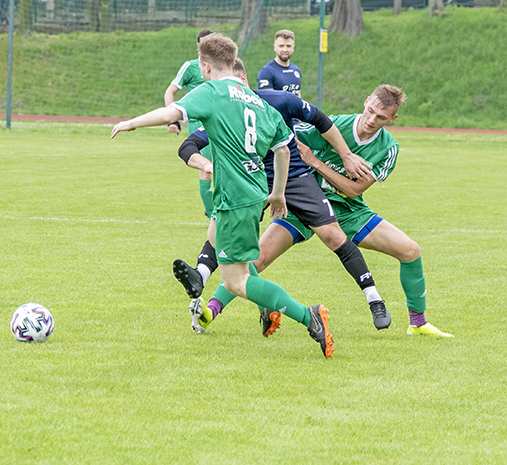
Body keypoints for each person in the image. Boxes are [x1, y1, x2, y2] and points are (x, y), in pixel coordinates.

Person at [111, 33, 334, 358]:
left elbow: (168, 114)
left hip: (235, 197)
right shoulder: (258, 101)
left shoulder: (211, 92)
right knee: (215, 236)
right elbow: (284, 150)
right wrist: (277, 194)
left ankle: (308, 315)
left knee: (235, 281)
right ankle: (202, 276)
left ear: (205, 67)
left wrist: (130, 123)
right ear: (234, 64)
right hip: (254, 191)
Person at [174, 58, 389, 336]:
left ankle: (374, 299)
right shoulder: (225, 111)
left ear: (244, 82)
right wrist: (204, 164)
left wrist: (347, 156)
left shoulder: (279, 102)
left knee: (333, 236)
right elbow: (188, 145)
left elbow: (321, 120)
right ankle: (206, 286)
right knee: (246, 248)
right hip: (254, 181)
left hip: (295, 178)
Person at [289, 85, 452, 337]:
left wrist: (315, 162)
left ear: (392, 119)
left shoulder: (388, 148)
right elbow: (288, 134)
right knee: (260, 257)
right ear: (365, 102)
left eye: (381, 118)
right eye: (371, 111)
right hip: (308, 205)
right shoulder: (332, 125)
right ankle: (211, 308)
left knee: (410, 251)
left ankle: (417, 323)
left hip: (350, 211)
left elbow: (353, 190)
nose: (372, 120)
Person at [163, 28, 216, 218]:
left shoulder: (221, 67)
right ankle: (213, 215)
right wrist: (174, 120)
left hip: (221, 124)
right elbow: (170, 92)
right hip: (199, 126)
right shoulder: (191, 67)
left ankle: (219, 210)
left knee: (224, 169)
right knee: (206, 170)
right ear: (198, 46)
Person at [257, 29, 301, 96]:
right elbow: (268, 100)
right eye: (281, 46)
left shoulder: (296, 70)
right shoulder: (266, 72)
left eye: (288, 46)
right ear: (275, 47)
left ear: (293, 48)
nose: (285, 50)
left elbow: (298, 98)